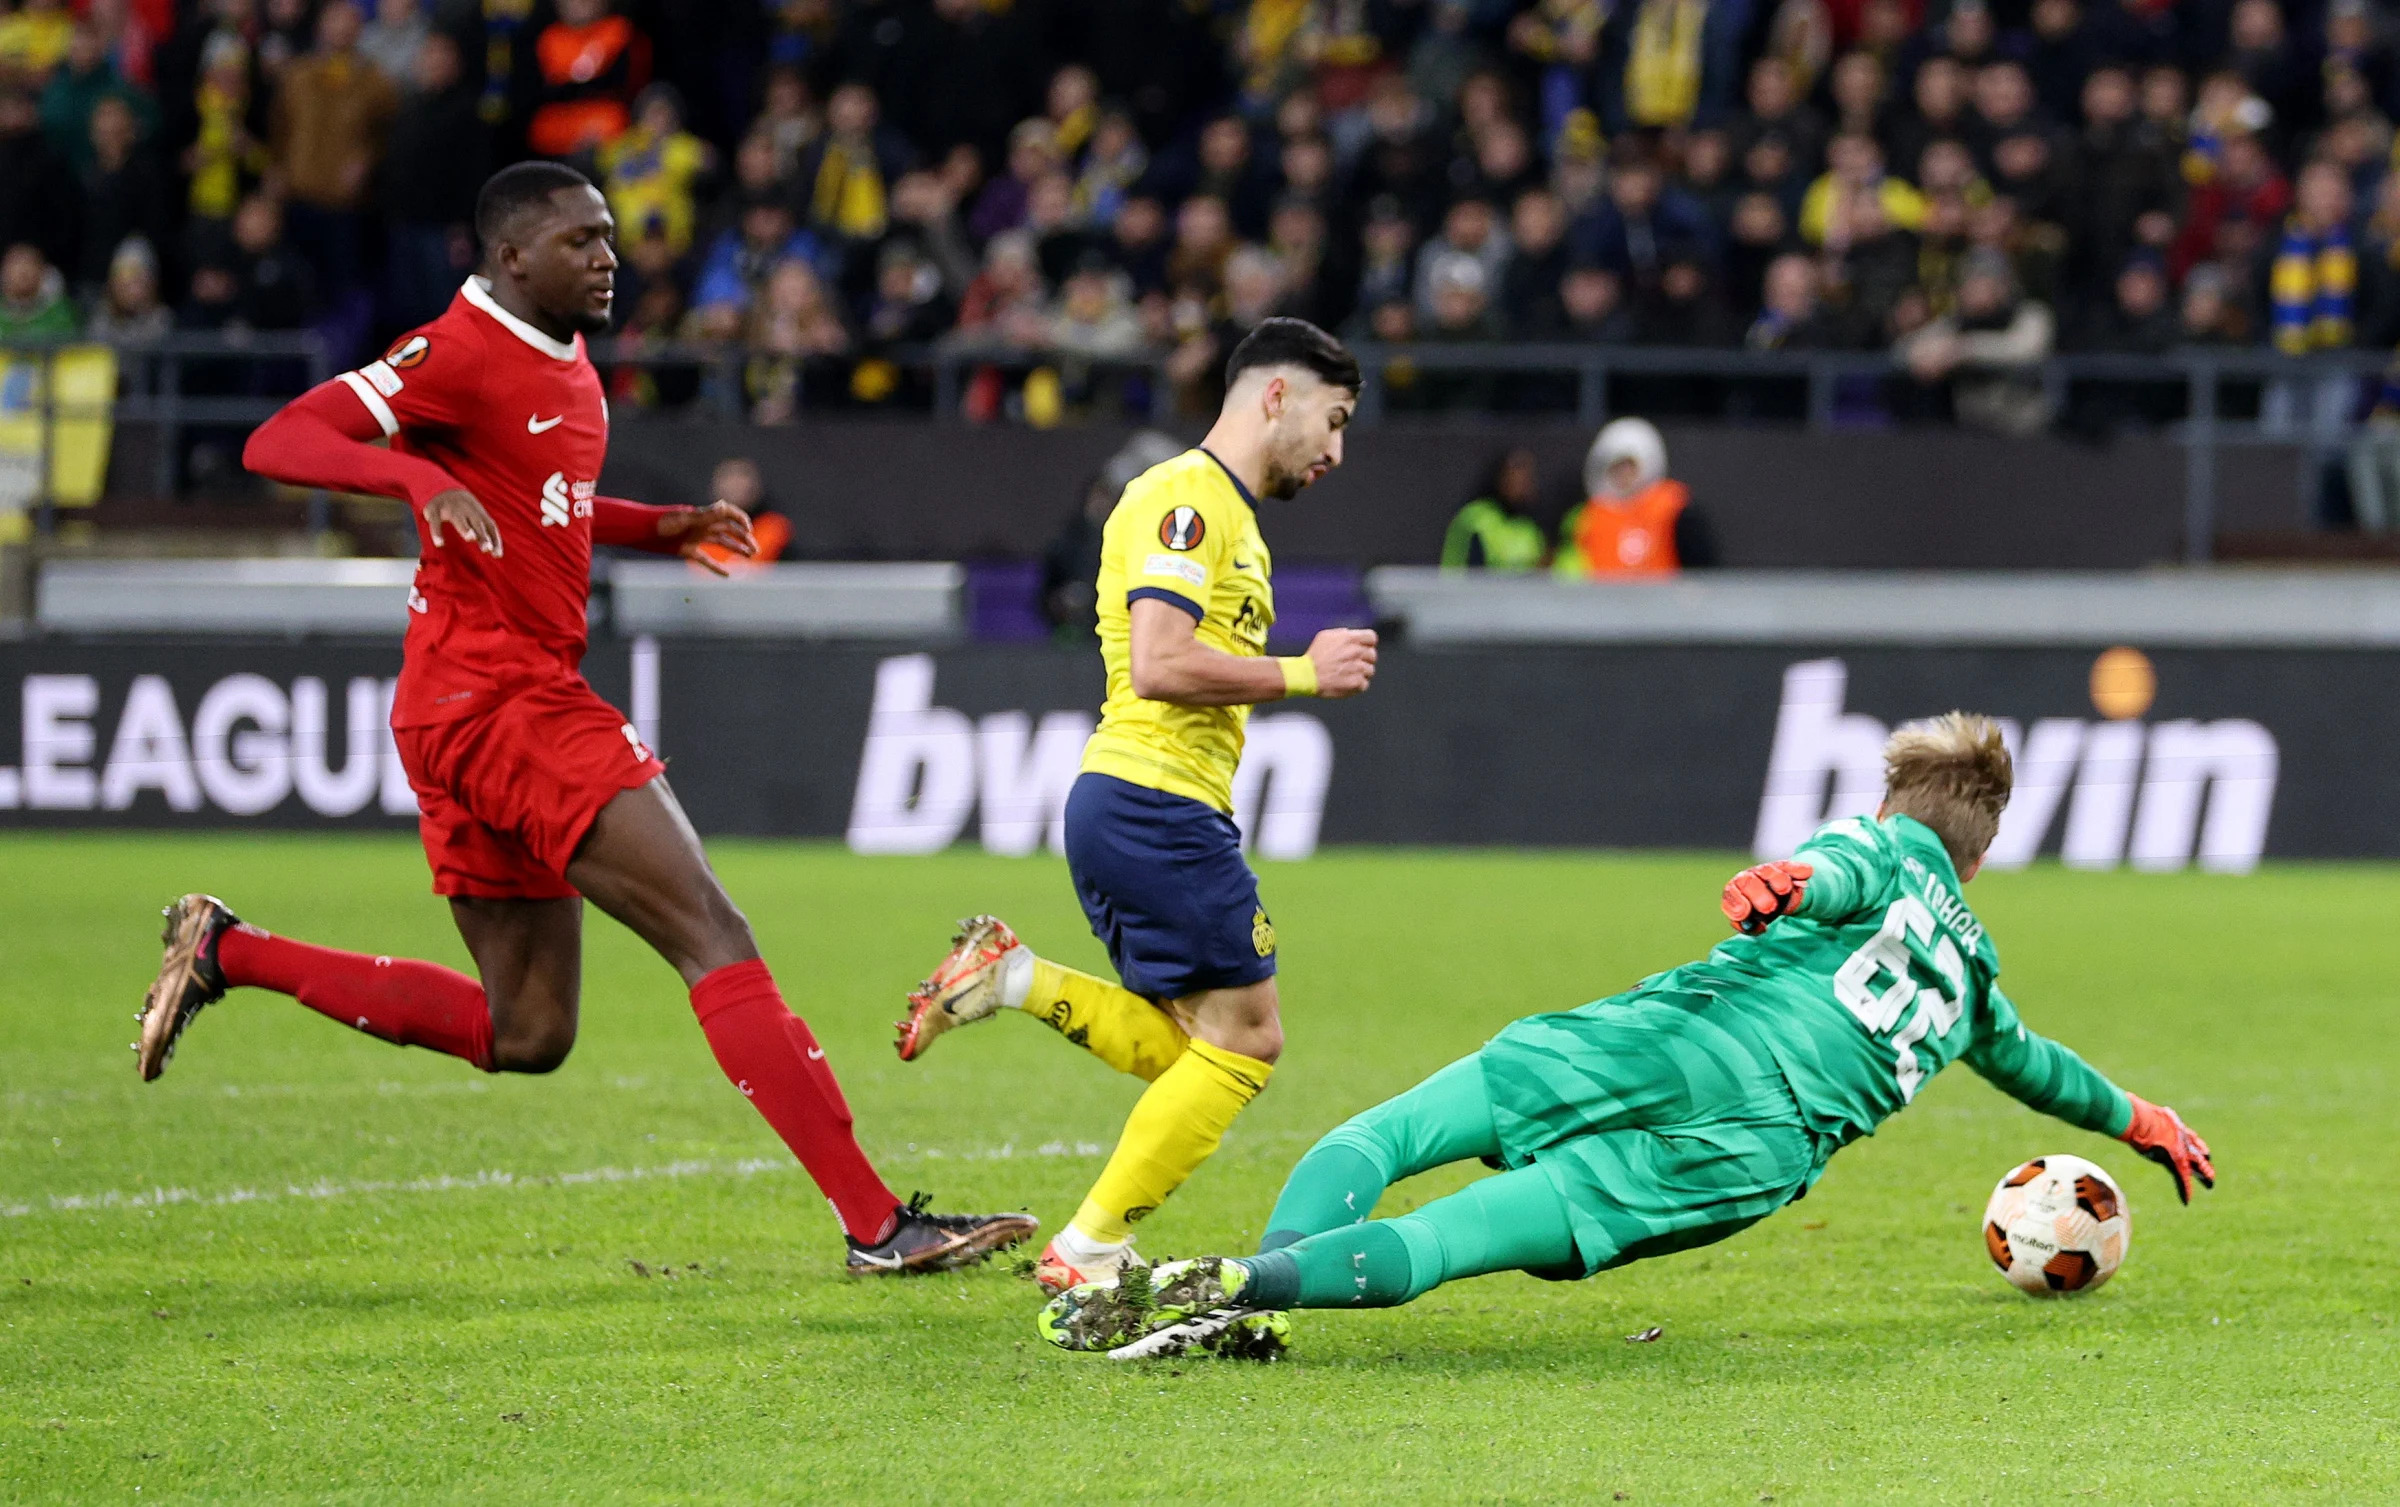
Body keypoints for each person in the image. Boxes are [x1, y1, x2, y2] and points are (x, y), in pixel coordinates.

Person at [139, 163, 1034, 1277]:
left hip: (454, 709)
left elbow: (539, 502)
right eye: (582, 241)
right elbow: (276, 442)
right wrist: (412, 484)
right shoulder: (456, 353)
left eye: (610, 237)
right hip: (506, 700)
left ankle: (231, 950)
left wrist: (657, 527)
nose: (609, 257)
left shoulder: (562, 358)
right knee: (713, 933)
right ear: (512, 256)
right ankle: (877, 1225)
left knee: (530, 1031)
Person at [1037, 714, 2218, 1359]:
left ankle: (1259, 1298)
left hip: (1682, 1035)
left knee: (1388, 1136)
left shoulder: (1887, 844)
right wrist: (2145, 1119)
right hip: (1755, 1146)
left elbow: (1847, 866)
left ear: (1901, 810)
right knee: (1453, 1239)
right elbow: (2035, 1064)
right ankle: (1248, 1286)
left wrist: (1791, 880)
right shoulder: (1972, 982)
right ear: (1983, 854)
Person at [893, 318, 1379, 1295]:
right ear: (1274, 396)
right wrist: (1301, 672)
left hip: (1144, 804)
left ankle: (1015, 977)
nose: (1336, 451)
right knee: (1249, 1041)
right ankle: (1090, 1250)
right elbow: (1158, 661)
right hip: (1155, 802)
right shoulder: (1187, 500)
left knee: (1195, 1044)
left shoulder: (1229, 516)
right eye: (1332, 421)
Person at [1554, 417, 1717, 577]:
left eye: (1630, 466)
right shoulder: (1587, 518)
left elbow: (1702, 573)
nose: (1624, 474)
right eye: (1617, 466)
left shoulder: (1675, 511)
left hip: (1664, 600)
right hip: (1604, 600)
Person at [1440, 448, 1548, 571]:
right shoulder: (1477, 519)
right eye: (1516, 479)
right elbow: (1470, 574)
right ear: (1501, 478)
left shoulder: (1531, 528)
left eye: (1527, 480)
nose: (1522, 487)